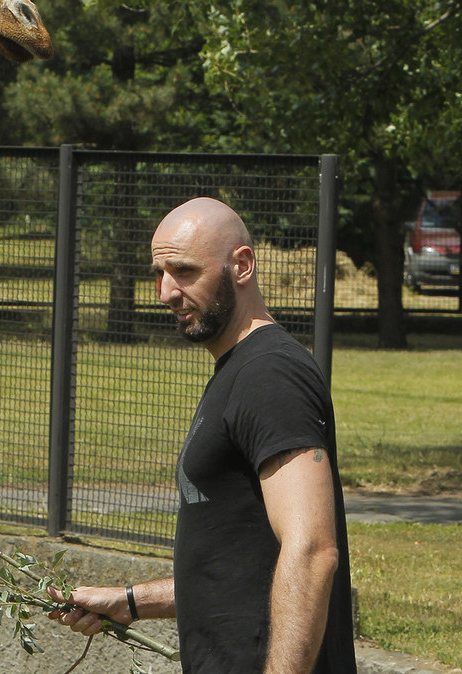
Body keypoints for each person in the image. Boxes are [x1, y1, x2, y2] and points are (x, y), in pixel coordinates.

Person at [46, 197, 356, 672]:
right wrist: (130, 602)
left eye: (185, 271)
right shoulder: (240, 371)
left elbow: (312, 551)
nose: (165, 292)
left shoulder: (270, 375)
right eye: (159, 273)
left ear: (242, 265)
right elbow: (237, 574)